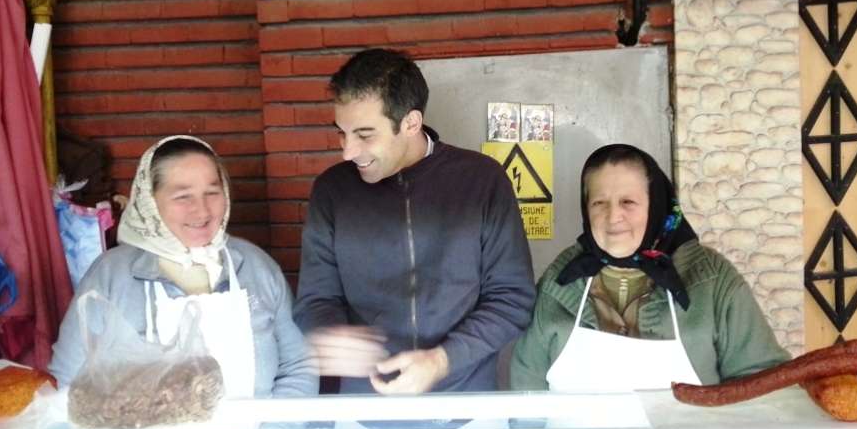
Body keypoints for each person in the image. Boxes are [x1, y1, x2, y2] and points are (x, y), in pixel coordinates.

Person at [294, 48, 536, 394]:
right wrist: (329, 333)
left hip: (465, 401)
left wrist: (443, 360)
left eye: (364, 135)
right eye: (342, 133)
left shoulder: (482, 181)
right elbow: (315, 300)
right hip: (363, 405)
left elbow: (513, 298)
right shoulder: (332, 191)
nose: (348, 151)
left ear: (411, 123)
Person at [49, 135, 317, 398]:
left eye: (212, 192)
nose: (202, 211)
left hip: (257, 428)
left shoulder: (257, 267)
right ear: (149, 201)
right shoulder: (111, 276)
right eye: (182, 196)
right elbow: (67, 380)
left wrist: (276, 425)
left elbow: (298, 366)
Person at [510, 144, 788, 392]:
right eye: (599, 203)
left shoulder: (712, 280)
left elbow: (763, 383)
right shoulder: (560, 280)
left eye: (628, 202)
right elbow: (526, 392)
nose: (613, 216)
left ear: (656, 205)